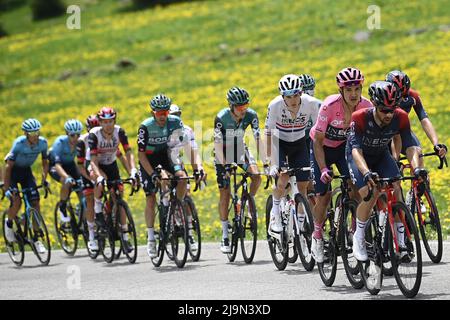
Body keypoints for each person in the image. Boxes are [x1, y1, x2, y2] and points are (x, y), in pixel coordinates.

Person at [346, 80, 426, 261]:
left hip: (381, 155)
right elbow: (355, 150)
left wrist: (417, 168)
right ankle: (358, 236)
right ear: (374, 104)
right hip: (359, 157)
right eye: (384, 110)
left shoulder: (400, 117)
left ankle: (400, 241)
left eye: (392, 109)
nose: (389, 114)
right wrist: (366, 172)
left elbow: (410, 145)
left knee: (396, 186)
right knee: (370, 193)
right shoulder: (360, 117)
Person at [309, 67, 372, 263]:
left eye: (357, 89)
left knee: (357, 186)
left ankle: (355, 229)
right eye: (348, 90)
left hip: (346, 149)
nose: (353, 94)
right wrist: (323, 169)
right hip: (323, 149)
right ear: (341, 91)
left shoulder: (366, 105)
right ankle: (317, 236)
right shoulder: (329, 106)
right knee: (324, 196)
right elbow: (318, 142)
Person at [265, 74, 321, 233]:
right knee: (282, 178)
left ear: (301, 92)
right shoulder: (275, 105)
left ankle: (301, 222)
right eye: (289, 97)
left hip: (299, 143)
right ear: (283, 96)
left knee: (303, 185)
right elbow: (268, 134)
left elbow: (320, 128)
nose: (293, 100)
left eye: (296, 95)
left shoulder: (311, 104)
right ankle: (275, 215)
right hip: (280, 143)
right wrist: (271, 162)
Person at [138, 94, 191, 258]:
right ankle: (151, 238)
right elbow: (140, 156)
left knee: (182, 178)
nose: (162, 116)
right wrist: (152, 174)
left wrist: (196, 167)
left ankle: (177, 207)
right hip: (148, 159)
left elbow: (185, 145)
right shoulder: (145, 127)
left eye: (165, 112)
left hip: (166, 155)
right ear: (153, 112)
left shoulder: (175, 122)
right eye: (159, 113)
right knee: (151, 198)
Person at [214, 87, 262, 253]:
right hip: (223, 153)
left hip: (240, 150)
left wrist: (268, 160)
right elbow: (218, 146)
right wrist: (226, 165)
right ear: (231, 106)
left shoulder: (251, 115)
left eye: (245, 106)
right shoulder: (221, 118)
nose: (243, 110)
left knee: (256, 176)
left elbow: (258, 138)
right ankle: (225, 234)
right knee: (225, 192)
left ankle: (246, 202)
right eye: (239, 107)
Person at [88, 107, 138, 253]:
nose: (108, 125)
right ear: (100, 123)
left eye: (110, 121)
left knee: (119, 199)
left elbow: (128, 152)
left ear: (114, 121)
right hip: (97, 165)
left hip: (111, 164)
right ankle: (98, 210)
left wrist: (133, 170)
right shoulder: (94, 134)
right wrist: (98, 177)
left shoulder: (119, 132)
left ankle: (125, 235)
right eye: (104, 122)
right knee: (100, 179)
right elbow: (93, 161)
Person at [2, 119, 49, 254]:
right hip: (13, 172)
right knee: (17, 201)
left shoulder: (43, 143)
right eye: (32, 132)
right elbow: (8, 166)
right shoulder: (19, 144)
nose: (35, 135)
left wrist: (44, 179)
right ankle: (9, 223)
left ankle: (36, 238)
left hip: (26, 172)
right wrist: (7, 188)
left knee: (35, 202)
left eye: (37, 131)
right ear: (26, 133)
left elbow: (45, 161)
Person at [386, 70, 447, 161]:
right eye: (399, 96)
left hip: (400, 132)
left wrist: (436, 144)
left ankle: (418, 174)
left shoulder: (412, 95)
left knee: (418, 155)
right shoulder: (383, 98)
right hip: (383, 134)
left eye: (405, 94)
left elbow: (424, 119)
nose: (402, 98)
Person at [49, 119, 84, 229]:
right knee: (67, 182)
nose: (75, 138)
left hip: (70, 165)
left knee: (82, 187)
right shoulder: (59, 143)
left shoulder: (81, 142)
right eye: (72, 135)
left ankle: (82, 212)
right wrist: (67, 177)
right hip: (56, 166)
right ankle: (62, 206)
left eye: (78, 135)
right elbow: (57, 165)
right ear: (67, 133)